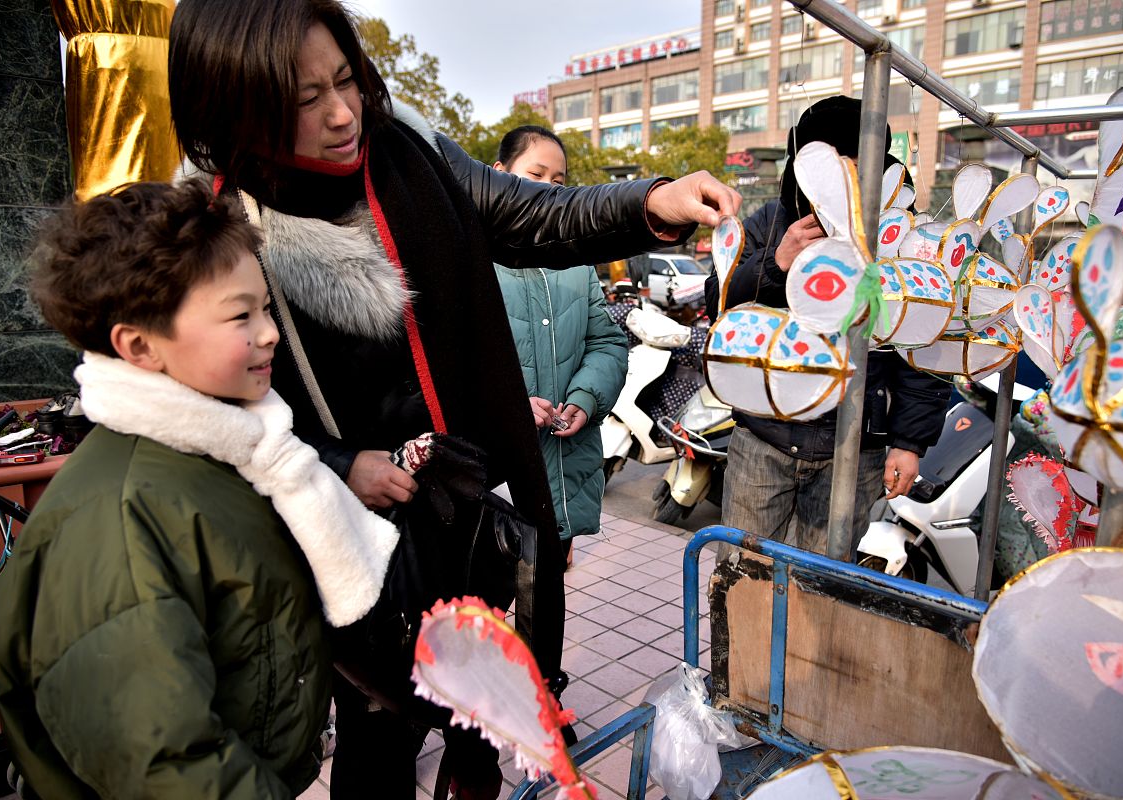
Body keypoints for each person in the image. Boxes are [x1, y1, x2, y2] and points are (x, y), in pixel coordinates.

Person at [166, 1, 739, 795]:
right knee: (379, 735)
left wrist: (650, 204)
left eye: (347, 82)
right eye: (305, 99)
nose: (342, 115)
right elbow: (212, 417)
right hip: (349, 540)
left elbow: (529, 213)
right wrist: (340, 464)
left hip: (468, 502)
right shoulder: (217, 229)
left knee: (489, 713)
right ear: (238, 102)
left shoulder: (405, 153)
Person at [0, 181, 401, 797]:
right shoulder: (123, 519)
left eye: (266, 308)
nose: (269, 334)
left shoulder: (235, 452)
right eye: (241, 315)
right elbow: (164, 762)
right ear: (140, 346)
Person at [704, 96, 950, 555]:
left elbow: (925, 348)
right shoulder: (773, 222)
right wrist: (777, 263)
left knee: (821, 586)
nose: (841, 185)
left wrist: (909, 442)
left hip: (855, 449)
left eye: (854, 172)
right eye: (827, 170)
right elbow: (718, 304)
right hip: (765, 435)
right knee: (740, 574)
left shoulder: (899, 234)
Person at [492, 126, 628, 568]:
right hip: (493, 481)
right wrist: (506, 407)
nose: (547, 191)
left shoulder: (575, 260)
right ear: (498, 175)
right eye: (535, 174)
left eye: (558, 183)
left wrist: (585, 399)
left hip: (563, 484)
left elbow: (606, 342)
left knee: (544, 616)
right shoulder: (470, 258)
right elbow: (444, 364)